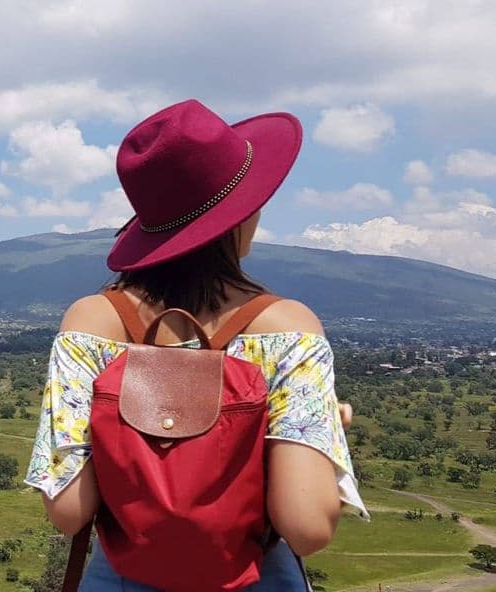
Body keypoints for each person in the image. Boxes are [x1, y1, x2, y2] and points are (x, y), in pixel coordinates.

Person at [24, 100, 368, 591]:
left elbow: (68, 510)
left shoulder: (93, 322)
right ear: (239, 213)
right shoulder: (288, 328)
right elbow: (307, 527)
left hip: (121, 577)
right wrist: (321, 427)